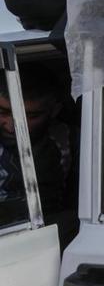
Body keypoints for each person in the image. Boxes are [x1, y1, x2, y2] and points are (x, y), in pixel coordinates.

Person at [0, 63, 78, 247]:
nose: (12, 126)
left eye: (31, 116)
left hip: (49, 233)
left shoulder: (71, 138)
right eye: (3, 112)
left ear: (54, 111)